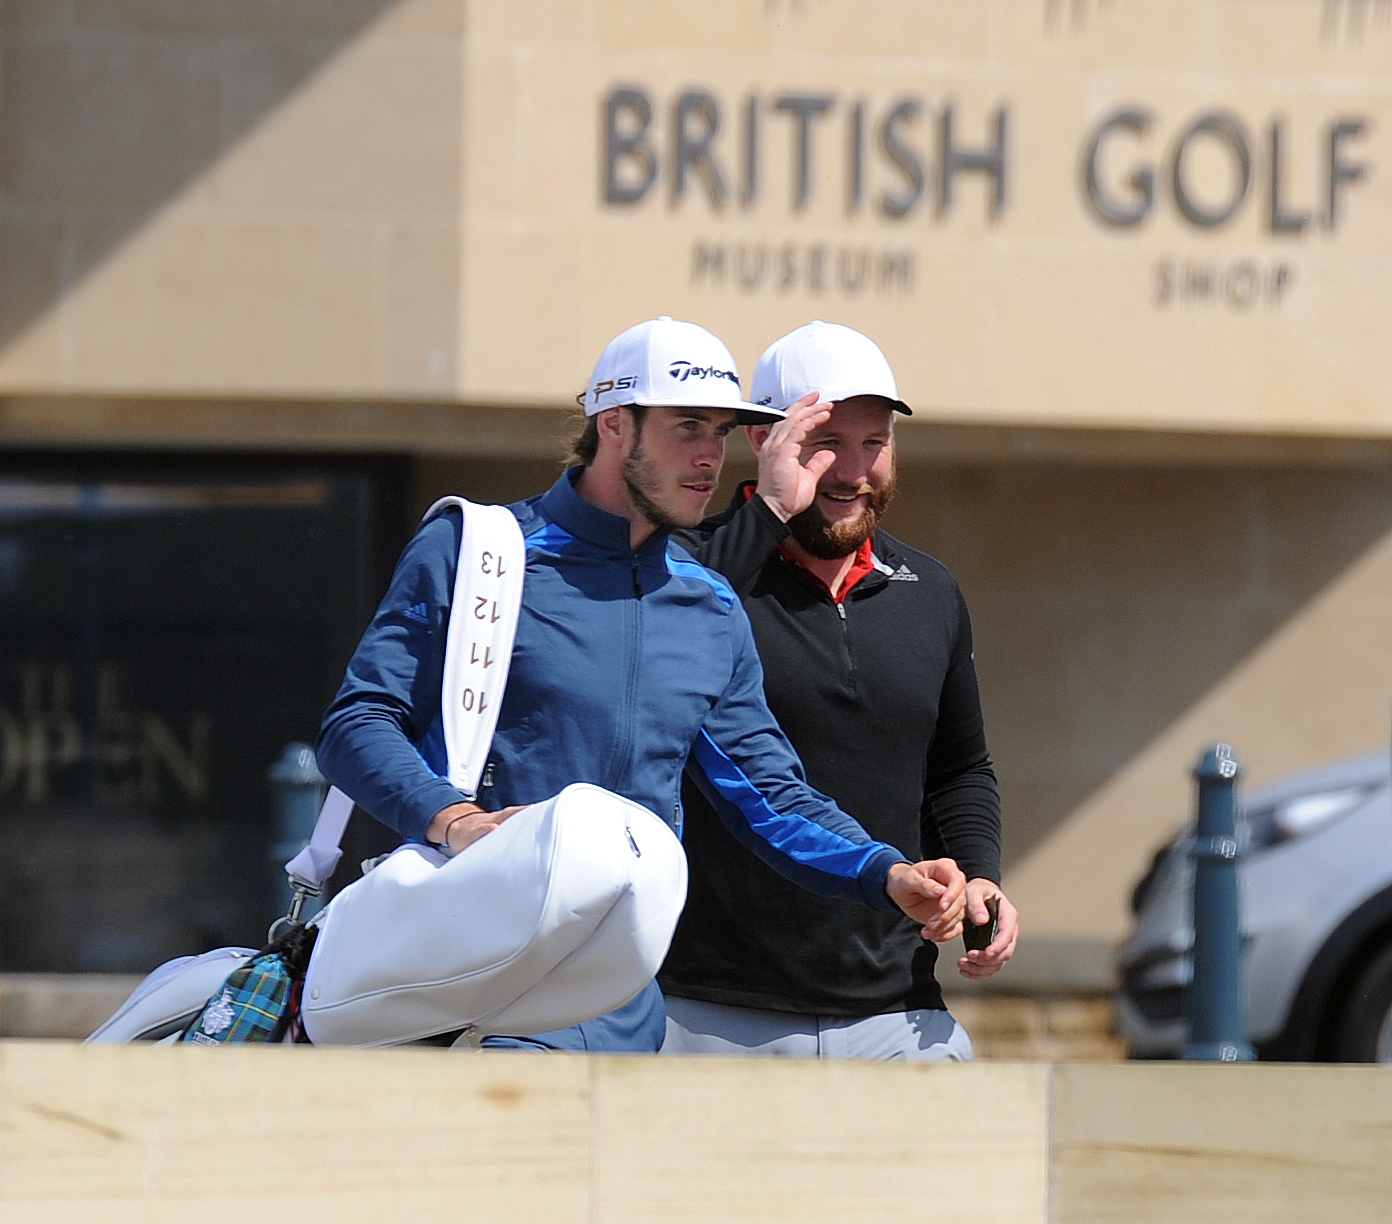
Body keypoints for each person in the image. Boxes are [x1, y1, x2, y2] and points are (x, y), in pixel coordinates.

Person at [316, 315, 969, 1054]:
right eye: (687, 428)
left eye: (721, 433)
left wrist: (886, 873)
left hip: (628, 1020)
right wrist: (456, 819)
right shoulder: (476, 550)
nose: (708, 459)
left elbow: (772, 796)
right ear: (615, 426)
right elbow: (357, 724)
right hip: (472, 995)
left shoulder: (709, 604)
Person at [660, 320, 1019, 1061]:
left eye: (874, 443)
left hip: (899, 1013)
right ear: (764, 442)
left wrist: (981, 874)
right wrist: (765, 523)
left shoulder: (931, 591)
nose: (854, 471)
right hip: (709, 1010)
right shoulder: (693, 571)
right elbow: (664, 625)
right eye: (825, 444)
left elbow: (958, 769)